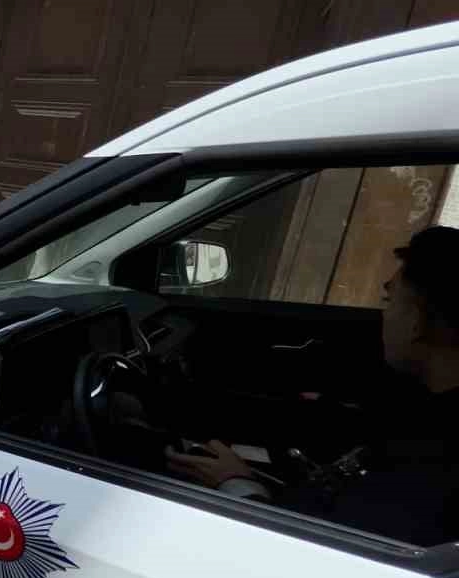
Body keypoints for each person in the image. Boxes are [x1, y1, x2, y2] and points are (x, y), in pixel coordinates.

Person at [166, 225, 459, 546]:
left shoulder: (435, 469)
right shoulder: (425, 408)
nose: (383, 316)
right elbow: (322, 425)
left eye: (389, 301)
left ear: (416, 322)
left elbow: (305, 549)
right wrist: (163, 403)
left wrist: (236, 485)